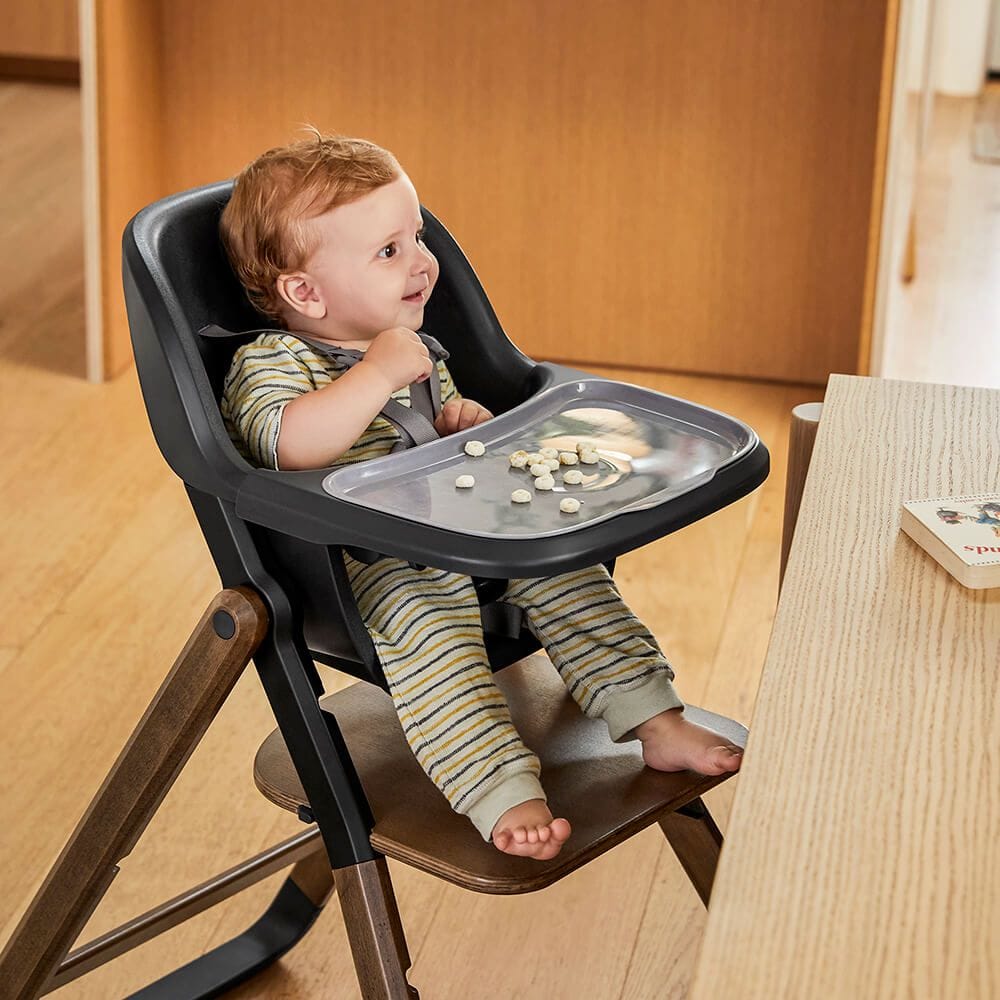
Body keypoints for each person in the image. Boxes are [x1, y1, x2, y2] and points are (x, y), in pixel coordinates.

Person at [219, 131, 743, 860]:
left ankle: (653, 717)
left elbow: (430, 437)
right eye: (388, 250)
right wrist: (373, 374)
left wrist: (459, 421)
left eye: (417, 235)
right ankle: (498, 788)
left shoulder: (411, 345)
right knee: (433, 636)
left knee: (572, 576)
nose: (422, 261)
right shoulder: (272, 361)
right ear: (305, 293)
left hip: (461, 526)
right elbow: (287, 446)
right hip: (363, 563)